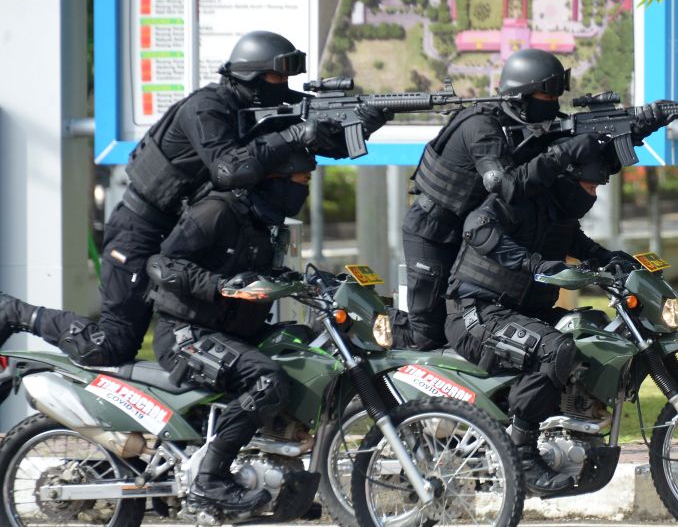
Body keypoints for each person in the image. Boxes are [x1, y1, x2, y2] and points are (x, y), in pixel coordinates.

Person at [0, 31, 377, 365]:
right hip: (141, 228)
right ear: (251, 75)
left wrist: (368, 117)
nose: (284, 85)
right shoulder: (207, 108)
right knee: (112, 345)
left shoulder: (257, 109)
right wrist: (294, 135)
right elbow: (228, 170)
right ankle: (13, 312)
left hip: (189, 231)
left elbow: (325, 144)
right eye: (277, 76)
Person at [443, 142, 635, 492]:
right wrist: (532, 264)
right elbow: (477, 228)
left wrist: (615, 261)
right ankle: (523, 457)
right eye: (589, 187)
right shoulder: (515, 201)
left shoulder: (558, 214)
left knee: (590, 336)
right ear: (565, 179)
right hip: (477, 313)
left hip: (521, 312)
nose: (592, 195)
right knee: (555, 349)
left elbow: (582, 246)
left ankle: (568, 430)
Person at [401, 48, 605, 351]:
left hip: (474, 232)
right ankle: (369, 359)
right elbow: (508, 186)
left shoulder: (522, 126)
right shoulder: (482, 127)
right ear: (520, 97)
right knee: (427, 333)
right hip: (433, 232)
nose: (552, 107)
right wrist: (563, 153)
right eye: (546, 99)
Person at [145, 153, 316, 514]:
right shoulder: (216, 211)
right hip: (186, 333)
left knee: (303, 347)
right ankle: (210, 479)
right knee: (265, 381)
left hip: (233, 333)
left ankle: (280, 470)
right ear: (273, 179)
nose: (306, 189)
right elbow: (163, 264)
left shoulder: (263, 221)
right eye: (302, 181)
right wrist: (220, 285)